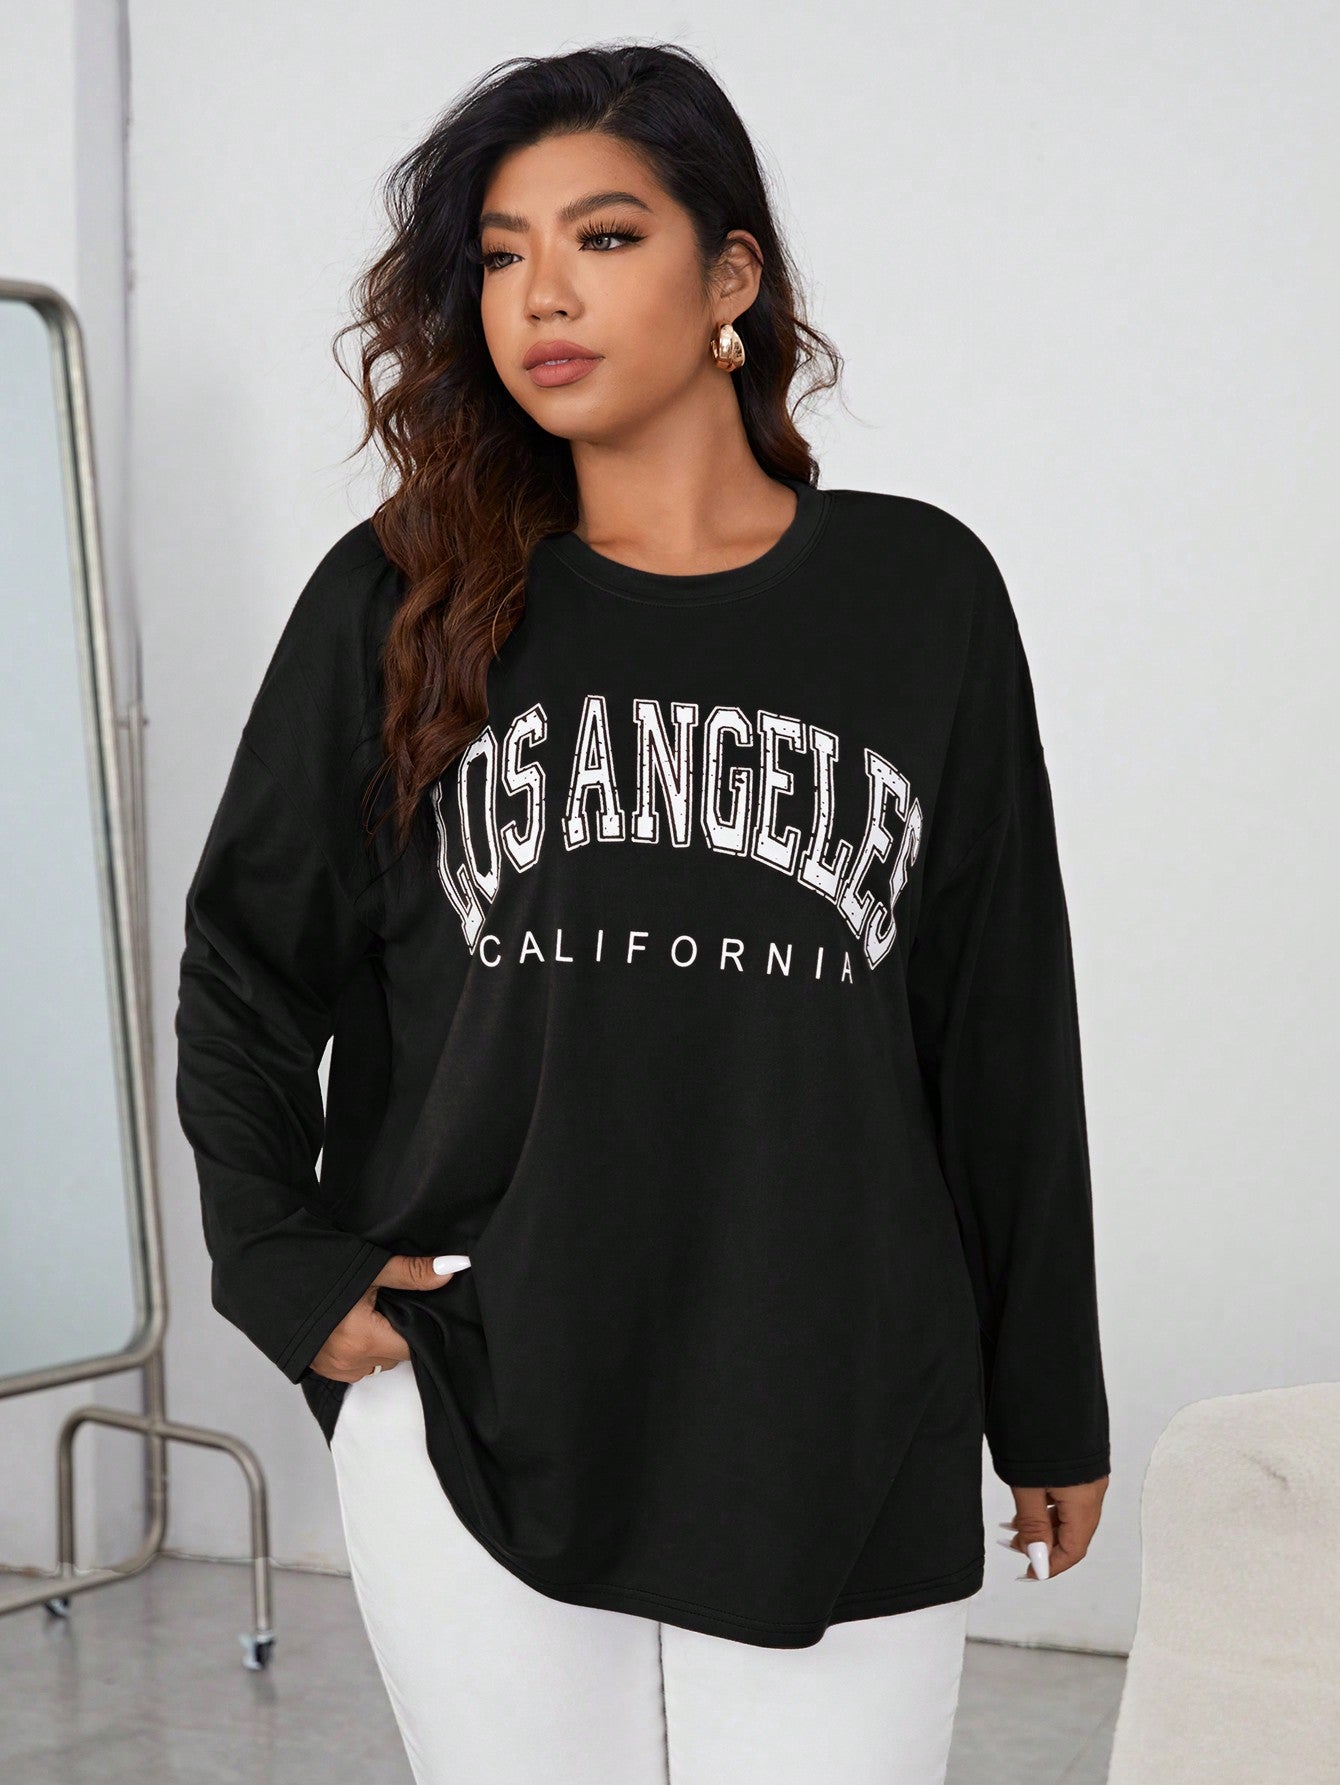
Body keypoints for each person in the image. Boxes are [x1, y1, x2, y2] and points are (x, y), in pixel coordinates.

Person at [174, 40, 1110, 1785]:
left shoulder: (921, 596)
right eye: (502, 254)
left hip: (843, 1391)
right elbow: (246, 964)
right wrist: (283, 1267)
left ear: (730, 274)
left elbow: (1000, 1022)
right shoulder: (402, 597)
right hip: (479, 1383)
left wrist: (1050, 1394)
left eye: (603, 237)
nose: (543, 294)